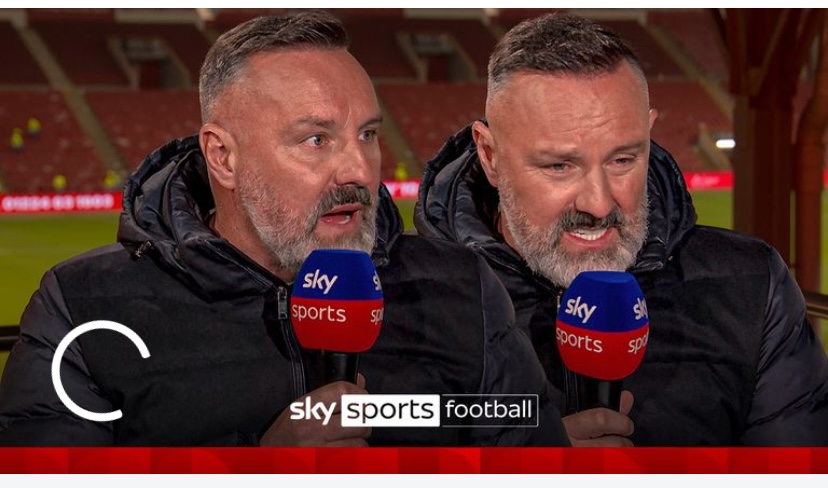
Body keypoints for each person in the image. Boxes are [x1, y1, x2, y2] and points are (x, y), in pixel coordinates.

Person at [0, 12, 568, 447]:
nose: (359, 170)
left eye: (368, 135)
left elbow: (521, 442)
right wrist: (255, 468)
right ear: (223, 157)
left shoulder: (463, 288)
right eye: (316, 139)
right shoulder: (85, 306)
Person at [415, 13, 828, 446]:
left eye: (622, 160)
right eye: (559, 166)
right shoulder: (398, 296)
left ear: (648, 133)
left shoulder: (751, 285)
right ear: (490, 155)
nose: (598, 204)